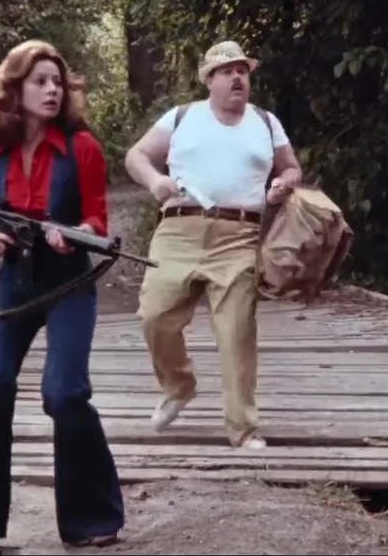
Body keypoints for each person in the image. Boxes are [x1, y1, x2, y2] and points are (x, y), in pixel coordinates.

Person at [0, 40, 124, 554]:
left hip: (69, 286)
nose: (52, 90)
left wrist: (75, 234)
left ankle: (92, 519)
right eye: (40, 81)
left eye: (57, 82)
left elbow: (97, 219)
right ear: (15, 89)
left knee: (64, 393)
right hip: (13, 285)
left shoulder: (82, 147)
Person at [124, 40, 303, 449]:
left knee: (236, 332)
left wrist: (283, 183)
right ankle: (178, 386)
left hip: (239, 236)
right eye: (226, 71)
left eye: (242, 70)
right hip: (177, 231)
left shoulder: (266, 122)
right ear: (209, 80)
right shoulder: (182, 116)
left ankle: (243, 428)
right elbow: (136, 155)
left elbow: (291, 167)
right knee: (154, 315)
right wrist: (155, 180)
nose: (237, 77)